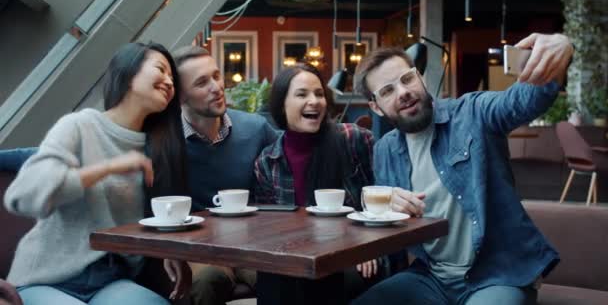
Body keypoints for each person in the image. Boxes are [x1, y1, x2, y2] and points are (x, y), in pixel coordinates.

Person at [350, 33, 574, 305]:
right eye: (388, 91)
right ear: (376, 107)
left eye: (407, 79)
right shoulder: (385, 149)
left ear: (420, 77)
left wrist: (561, 49)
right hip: (432, 277)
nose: (403, 92)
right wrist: (381, 209)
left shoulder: (472, 113)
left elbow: (521, 101)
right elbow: (387, 222)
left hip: (497, 273)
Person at [3, 42, 191, 304]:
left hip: (110, 280)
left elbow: (152, 219)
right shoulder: (80, 125)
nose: (169, 81)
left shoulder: (158, 149)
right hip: (45, 277)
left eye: (173, 77)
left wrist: (170, 249)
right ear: (128, 71)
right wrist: (108, 167)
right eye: (161, 69)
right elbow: (24, 196)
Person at [253, 63, 383, 300]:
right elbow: (268, 229)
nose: (314, 101)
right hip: (297, 255)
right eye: (302, 94)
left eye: (319, 94)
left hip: (354, 250)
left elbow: (383, 197)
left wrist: (368, 245)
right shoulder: (267, 161)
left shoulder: (354, 138)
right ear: (282, 104)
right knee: (275, 277)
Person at [171, 45, 277, 305]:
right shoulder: (165, 140)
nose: (217, 87)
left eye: (216, 76)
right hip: (197, 248)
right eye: (202, 83)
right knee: (206, 280)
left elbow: (289, 166)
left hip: (252, 243)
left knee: (282, 277)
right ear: (180, 97)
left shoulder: (256, 128)